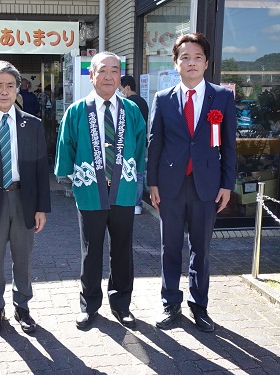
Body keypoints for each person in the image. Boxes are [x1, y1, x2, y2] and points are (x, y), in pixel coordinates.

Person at [147, 33, 237, 332]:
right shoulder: (162, 99)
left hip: (206, 186)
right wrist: (153, 183)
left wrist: (226, 184)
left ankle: (200, 306)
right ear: (176, 63)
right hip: (171, 185)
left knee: (201, 248)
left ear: (206, 62)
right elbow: (154, 144)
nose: (191, 62)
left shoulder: (222, 97)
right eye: (185, 57)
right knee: (169, 247)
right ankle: (170, 304)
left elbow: (229, 145)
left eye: (197, 56)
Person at [55, 52, 146, 329]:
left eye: (114, 71)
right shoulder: (77, 111)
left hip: (124, 191)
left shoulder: (131, 110)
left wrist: (132, 174)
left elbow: (140, 146)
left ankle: (121, 304)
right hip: (90, 192)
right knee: (91, 250)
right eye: (102, 71)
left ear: (120, 76)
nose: (109, 76)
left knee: (122, 249)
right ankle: (89, 305)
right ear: (91, 76)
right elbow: (66, 147)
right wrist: (73, 178)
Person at [0, 60, 51, 335]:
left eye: (10, 86)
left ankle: (22, 307)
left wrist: (42, 208)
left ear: (18, 89)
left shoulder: (32, 124)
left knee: (23, 258)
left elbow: (40, 169)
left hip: (23, 200)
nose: (4, 91)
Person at [119, 75, 149, 215]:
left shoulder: (127, 104)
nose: (121, 92)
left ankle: (133, 202)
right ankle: (138, 204)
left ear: (127, 87)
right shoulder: (143, 102)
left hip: (129, 142)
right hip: (142, 141)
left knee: (130, 171)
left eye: (121, 89)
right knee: (139, 171)